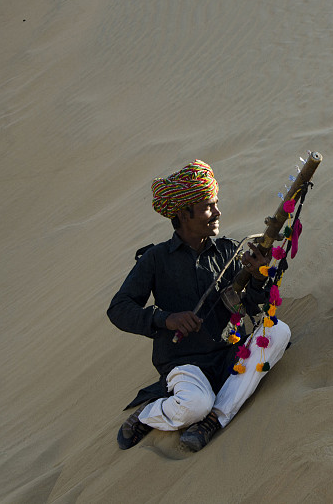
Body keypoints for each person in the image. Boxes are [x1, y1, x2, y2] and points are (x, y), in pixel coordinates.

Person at [108, 160, 291, 451]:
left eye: (216, 204)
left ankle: (215, 419)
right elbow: (118, 309)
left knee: (279, 331)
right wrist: (165, 319)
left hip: (230, 355)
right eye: (208, 206)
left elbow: (254, 308)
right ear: (184, 214)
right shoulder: (156, 259)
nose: (217, 212)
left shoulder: (230, 250)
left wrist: (258, 278)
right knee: (195, 405)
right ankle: (149, 414)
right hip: (184, 364)